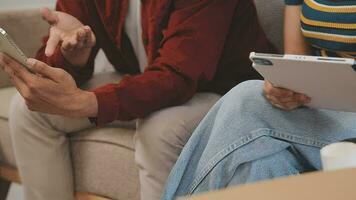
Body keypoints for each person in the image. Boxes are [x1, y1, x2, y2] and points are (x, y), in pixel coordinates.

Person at [0, 0, 275, 199]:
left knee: (160, 130)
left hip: (227, 93)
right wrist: (70, 56)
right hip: (149, 79)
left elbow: (177, 76)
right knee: (31, 112)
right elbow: (63, 39)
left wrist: (87, 102)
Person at [161, 0, 356, 199]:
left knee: (246, 100)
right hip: (326, 108)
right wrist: (283, 87)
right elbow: (296, 60)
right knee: (263, 164)